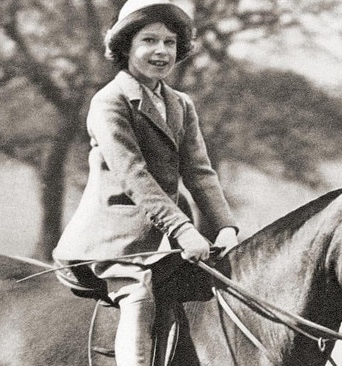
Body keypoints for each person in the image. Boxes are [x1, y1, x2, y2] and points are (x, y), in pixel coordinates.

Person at [53, 0, 238, 364]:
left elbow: (199, 172)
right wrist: (185, 230)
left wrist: (225, 226)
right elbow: (135, 176)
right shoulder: (109, 101)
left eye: (169, 42)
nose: (161, 51)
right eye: (149, 40)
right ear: (126, 47)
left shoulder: (181, 104)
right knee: (138, 296)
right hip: (113, 240)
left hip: (164, 238)